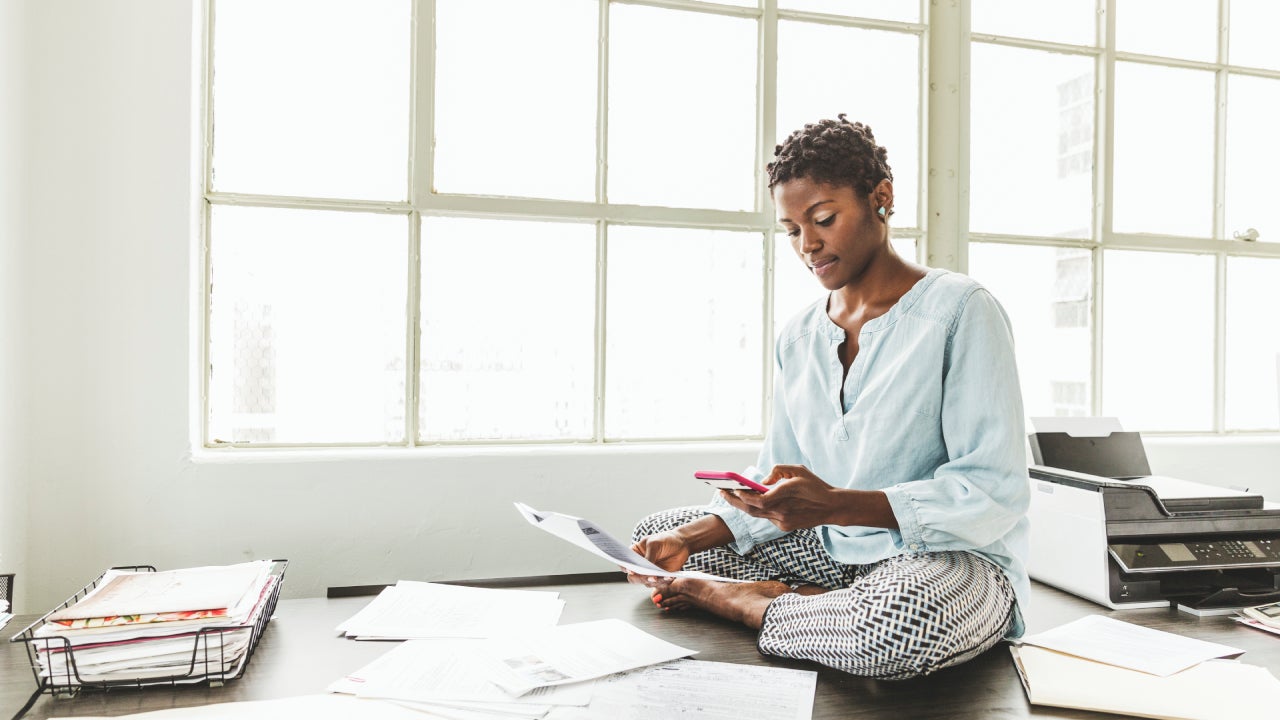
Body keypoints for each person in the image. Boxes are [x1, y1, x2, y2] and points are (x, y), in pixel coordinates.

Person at [628, 115, 1030, 680]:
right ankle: (813, 603)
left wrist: (838, 503)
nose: (807, 244)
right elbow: (775, 480)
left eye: (823, 219)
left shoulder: (961, 311)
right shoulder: (798, 335)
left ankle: (754, 602)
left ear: (880, 198)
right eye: (791, 229)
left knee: (892, 628)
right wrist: (689, 536)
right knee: (656, 535)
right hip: (831, 549)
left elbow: (993, 491)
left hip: (946, 557)